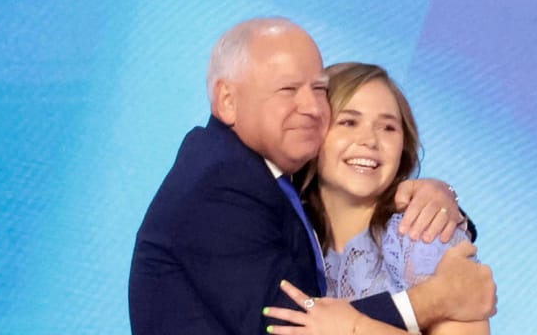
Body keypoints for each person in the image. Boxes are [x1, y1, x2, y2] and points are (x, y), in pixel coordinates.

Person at [128, 17, 496, 334]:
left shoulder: (421, 237)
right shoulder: (227, 184)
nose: (308, 108)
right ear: (227, 99)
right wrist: (432, 300)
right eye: (348, 121)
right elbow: (289, 325)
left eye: (318, 90)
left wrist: (442, 196)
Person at [263, 63, 490, 334]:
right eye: (349, 122)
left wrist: (355, 328)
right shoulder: (284, 232)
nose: (369, 140)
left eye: (388, 128)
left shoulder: (421, 235)